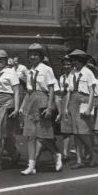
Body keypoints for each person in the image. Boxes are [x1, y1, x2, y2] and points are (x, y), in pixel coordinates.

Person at [19, 43, 61, 175]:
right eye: (31, 54)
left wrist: (49, 106)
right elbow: (29, 91)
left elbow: (52, 89)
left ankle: (56, 154)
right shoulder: (30, 71)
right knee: (30, 136)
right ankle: (31, 166)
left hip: (43, 101)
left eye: (36, 54)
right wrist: (22, 106)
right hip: (31, 102)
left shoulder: (46, 69)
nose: (33, 57)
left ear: (41, 56)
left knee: (43, 135)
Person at [65, 49, 98, 169]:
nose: (73, 62)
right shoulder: (72, 73)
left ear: (81, 61)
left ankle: (92, 154)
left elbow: (92, 92)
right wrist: (66, 107)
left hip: (83, 101)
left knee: (84, 132)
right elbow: (69, 91)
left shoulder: (88, 73)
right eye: (73, 60)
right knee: (76, 133)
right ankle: (79, 159)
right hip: (73, 101)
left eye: (76, 60)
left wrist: (89, 107)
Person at [56, 54, 74, 161]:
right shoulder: (62, 77)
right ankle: (65, 152)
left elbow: (70, 92)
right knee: (65, 129)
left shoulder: (74, 76)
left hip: (72, 101)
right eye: (65, 65)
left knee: (77, 129)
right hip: (63, 101)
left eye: (68, 64)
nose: (66, 66)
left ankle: (82, 150)